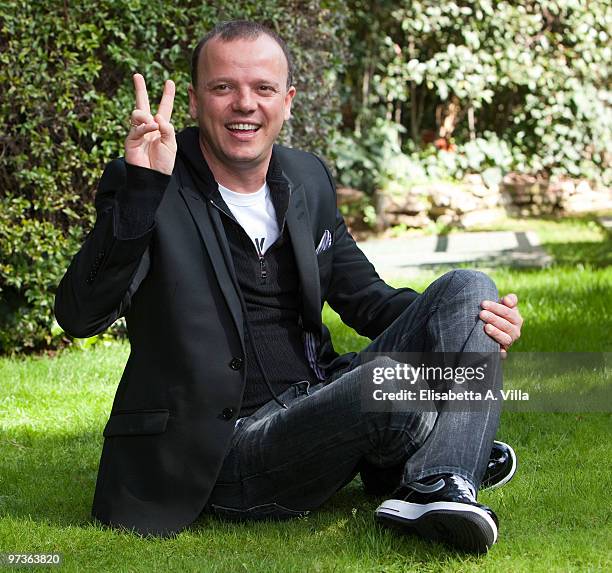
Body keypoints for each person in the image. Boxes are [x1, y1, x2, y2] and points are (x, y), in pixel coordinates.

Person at [54, 20, 523, 553]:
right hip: (225, 449)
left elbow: (369, 300)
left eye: (263, 88)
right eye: (223, 87)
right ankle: (435, 451)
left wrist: (467, 328)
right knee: (391, 389)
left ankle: (444, 480)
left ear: (288, 100)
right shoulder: (150, 179)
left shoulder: (306, 177)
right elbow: (78, 315)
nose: (244, 104)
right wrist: (143, 188)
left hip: (315, 400)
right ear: (194, 101)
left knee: (470, 290)